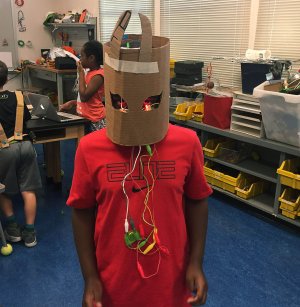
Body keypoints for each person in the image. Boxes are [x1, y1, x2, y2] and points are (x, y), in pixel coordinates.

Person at [67, 11, 212, 307]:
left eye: (149, 104)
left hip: (171, 282)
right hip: (113, 283)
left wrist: (196, 261)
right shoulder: (90, 149)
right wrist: (90, 277)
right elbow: (81, 211)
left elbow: (198, 200)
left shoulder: (187, 143)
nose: (135, 113)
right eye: (120, 102)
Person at [0, 60, 42, 247]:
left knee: (4, 190)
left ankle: (12, 229)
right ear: (7, 78)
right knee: (28, 189)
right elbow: (26, 118)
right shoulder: (18, 96)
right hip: (25, 145)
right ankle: (30, 232)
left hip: (4, 149)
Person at [59, 40, 105, 134]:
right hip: (84, 118)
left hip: (95, 120)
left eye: (82, 56)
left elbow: (84, 97)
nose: (80, 59)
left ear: (91, 58)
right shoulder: (89, 73)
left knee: (93, 147)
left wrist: (80, 72)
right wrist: (73, 103)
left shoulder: (98, 76)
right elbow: (89, 100)